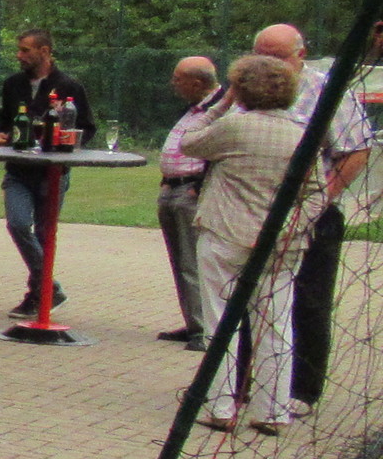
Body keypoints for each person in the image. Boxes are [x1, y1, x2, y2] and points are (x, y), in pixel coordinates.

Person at [183, 54, 309, 433]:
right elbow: (317, 191)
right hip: (281, 242)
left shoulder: (234, 126)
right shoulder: (302, 133)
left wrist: (218, 106)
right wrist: (295, 226)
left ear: (241, 89)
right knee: (277, 325)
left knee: (221, 321)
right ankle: (273, 412)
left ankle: (222, 407)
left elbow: (188, 142)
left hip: (226, 233)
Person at [250, 23, 373, 409]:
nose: (268, 64)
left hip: (311, 212)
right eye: (261, 56)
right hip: (253, 209)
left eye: (277, 56)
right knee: (249, 297)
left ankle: (302, 390)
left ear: (300, 55)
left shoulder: (327, 92)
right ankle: (247, 383)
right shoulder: (245, 91)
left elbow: (356, 151)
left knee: (308, 301)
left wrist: (320, 200)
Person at [0, 27, 98, 318]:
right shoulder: (13, 84)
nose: (19, 55)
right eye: (19, 50)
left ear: (44, 51)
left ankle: (37, 295)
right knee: (18, 224)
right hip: (19, 170)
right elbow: (3, 118)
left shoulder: (68, 86)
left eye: (25, 50)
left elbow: (87, 127)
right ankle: (50, 288)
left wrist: (66, 142)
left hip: (52, 174)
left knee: (45, 234)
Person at [152, 56, 221, 351]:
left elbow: (220, 151)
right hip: (173, 188)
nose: (173, 84)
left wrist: (198, 187)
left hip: (191, 191)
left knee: (193, 262)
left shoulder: (222, 109)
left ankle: (204, 329)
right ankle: (193, 321)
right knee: (180, 261)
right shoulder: (194, 109)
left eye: (178, 79)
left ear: (197, 83)